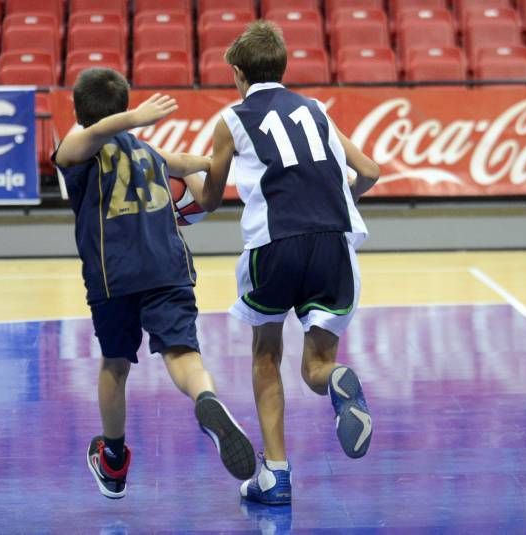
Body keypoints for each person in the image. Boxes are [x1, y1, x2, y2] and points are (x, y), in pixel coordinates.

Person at [190, 21, 381, 505]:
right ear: (283, 66)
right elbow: (371, 172)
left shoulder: (232, 119)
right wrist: (340, 201)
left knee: (266, 354)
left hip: (275, 245)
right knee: (318, 363)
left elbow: (210, 198)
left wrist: (178, 191)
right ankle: (336, 383)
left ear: (236, 72)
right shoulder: (316, 108)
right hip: (334, 242)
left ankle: (275, 475)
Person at [52, 67, 256, 500]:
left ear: (78, 111)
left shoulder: (77, 150)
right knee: (183, 356)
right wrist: (143, 124)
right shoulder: (143, 149)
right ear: (125, 109)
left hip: (115, 274)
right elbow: (171, 160)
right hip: (168, 267)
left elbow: (167, 159)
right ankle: (206, 398)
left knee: (114, 365)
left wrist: (209, 161)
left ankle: (113, 457)